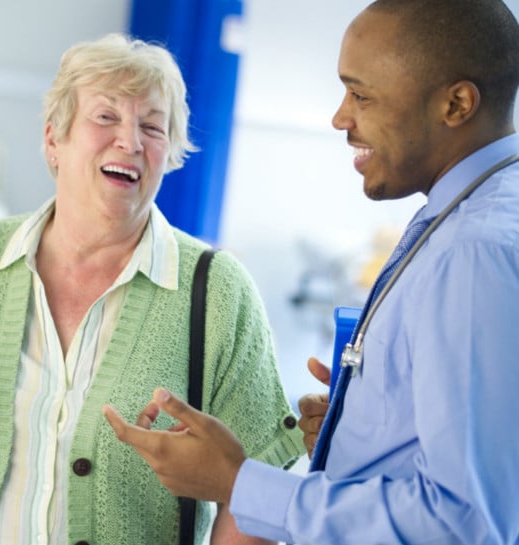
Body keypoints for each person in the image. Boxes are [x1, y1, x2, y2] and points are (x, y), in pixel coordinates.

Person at [0, 33, 302, 544]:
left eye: (152, 126)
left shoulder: (218, 292)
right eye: (105, 117)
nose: (129, 141)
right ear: (53, 141)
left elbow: (259, 481)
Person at [104, 0, 519, 543]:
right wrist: (364, 425)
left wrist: (237, 482)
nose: (340, 117)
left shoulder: (473, 250)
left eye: (361, 95)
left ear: (457, 103)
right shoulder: (466, 214)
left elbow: (466, 522)